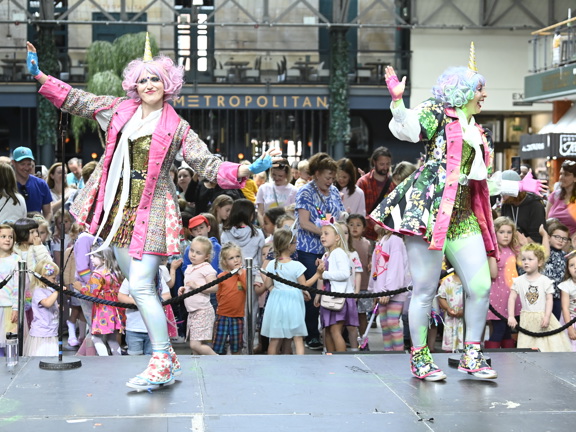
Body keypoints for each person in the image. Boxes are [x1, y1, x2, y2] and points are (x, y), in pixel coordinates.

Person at [27, 38, 278, 390]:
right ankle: (169, 360)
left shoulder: (177, 127)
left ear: (167, 85)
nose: (148, 86)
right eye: (143, 80)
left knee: (142, 286)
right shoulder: (117, 109)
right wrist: (41, 76)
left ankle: (160, 358)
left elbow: (207, 164)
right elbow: (78, 101)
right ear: (134, 85)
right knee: (136, 284)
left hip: (153, 211)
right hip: (117, 212)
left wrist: (246, 170)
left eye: (155, 79)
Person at [372, 45, 545, 381]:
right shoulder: (438, 112)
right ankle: (420, 358)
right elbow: (407, 129)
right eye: (480, 89)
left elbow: (479, 181)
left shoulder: (478, 132)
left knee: (479, 287)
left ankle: (472, 354)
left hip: (463, 215)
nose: (485, 95)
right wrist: (397, 101)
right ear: (463, 91)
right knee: (424, 289)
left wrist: (515, 187)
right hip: (429, 214)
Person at [261, 229, 320, 355]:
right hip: (293, 302)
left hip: (276, 301)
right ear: (289, 245)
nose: (296, 244)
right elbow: (304, 285)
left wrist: (277, 291)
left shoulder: (272, 264)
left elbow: (268, 284)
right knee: (297, 337)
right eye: (294, 242)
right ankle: (299, 364)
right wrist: (318, 274)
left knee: (275, 338)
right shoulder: (296, 265)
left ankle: (270, 364)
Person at [508, 243, 571, 352]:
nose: (526, 262)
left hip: (542, 317)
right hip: (527, 319)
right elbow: (512, 298)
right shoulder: (518, 280)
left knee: (546, 345)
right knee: (527, 345)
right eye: (524, 259)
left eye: (530, 259)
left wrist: (547, 316)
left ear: (540, 262)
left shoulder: (545, 281)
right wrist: (511, 316)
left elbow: (549, 299)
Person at [73, 247, 126, 356]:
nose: (91, 258)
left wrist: (80, 288)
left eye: (94, 256)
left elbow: (91, 293)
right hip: (115, 310)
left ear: (104, 259)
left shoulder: (98, 274)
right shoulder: (116, 273)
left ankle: (103, 359)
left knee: (95, 336)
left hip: (102, 311)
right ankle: (118, 359)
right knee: (111, 338)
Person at [313, 221, 355, 353]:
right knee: (328, 330)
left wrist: (324, 273)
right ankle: (330, 356)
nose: (322, 237)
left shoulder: (339, 253)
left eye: (326, 233)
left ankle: (340, 359)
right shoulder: (327, 255)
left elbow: (344, 274)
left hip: (338, 296)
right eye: (321, 234)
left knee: (335, 330)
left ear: (337, 237)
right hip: (329, 295)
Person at [368, 227, 410, 351]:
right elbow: (376, 268)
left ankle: (398, 353)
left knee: (392, 322)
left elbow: (395, 266)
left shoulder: (395, 240)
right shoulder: (382, 240)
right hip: (382, 290)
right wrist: (374, 290)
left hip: (393, 291)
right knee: (384, 324)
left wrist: (389, 291)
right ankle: (388, 352)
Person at [485, 216, 521, 349]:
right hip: (498, 295)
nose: (506, 236)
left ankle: (508, 359)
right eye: (501, 232)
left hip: (511, 294)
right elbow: (493, 274)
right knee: (499, 329)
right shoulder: (494, 251)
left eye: (509, 232)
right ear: (495, 234)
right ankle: (491, 356)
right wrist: (492, 253)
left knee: (507, 331)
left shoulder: (513, 249)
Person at [178, 236, 218, 355]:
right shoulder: (189, 268)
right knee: (195, 348)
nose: (193, 255)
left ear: (206, 256)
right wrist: (183, 290)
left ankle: (219, 360)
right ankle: (198, 370)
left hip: (202, 310)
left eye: (198, 253)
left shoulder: (206, 268)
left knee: (195, 344)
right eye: (192, 251)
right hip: (192, 311)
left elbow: (215, 287)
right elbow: (190, 286)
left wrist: (196, 287)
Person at [212, 243, 248, 355]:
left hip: (238, 316)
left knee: (237, 346)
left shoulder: (244, 273)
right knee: (219, 345)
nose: (236, 260)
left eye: (238, 256)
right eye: (231, 258)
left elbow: (247, 288)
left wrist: (241, 273)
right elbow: (218, 295)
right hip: (223, 315)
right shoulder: (222, 276)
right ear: (225, 262)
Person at [23, 260, 62, 356]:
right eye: (53, 278)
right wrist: (57, 291)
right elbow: (47, 303)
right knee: (41, 356)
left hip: (51, 331)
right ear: (44, 277)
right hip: (42, 333)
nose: (55, 280)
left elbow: (51, 304)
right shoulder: (38, 291)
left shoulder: (49, 290)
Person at [356, 146, 395, 241]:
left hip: (387, 236)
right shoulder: (363, 182)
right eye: (382, 164)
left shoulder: (393, 183)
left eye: (388, 164)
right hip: (366, 236)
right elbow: (358, 211)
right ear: (374, 162)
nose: (385, 167)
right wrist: (374, 225)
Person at [347, 214, 373, 347]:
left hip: (363, 284)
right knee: (348, 316)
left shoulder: (367, 243)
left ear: (364, 228)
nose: (354, 227)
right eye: (351, 224)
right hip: (349, 286)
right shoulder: (345, 242)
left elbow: (370, 259)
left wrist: (370, 264)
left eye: (358, 225)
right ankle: (350, 340)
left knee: (362, 315)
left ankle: (363, 341)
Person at [500, 170, 546, 244]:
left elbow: (537, 236)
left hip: (530, 249)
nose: (501, 192)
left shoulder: (535, 205)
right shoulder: (506, 204)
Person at [11, 146, 52, 220]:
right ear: (13, 163)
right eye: (22, 164)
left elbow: (48, 212)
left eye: (29, 164)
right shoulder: (7, 184)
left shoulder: (41, 184)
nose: (26, 168)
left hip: (35, 229)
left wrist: (43, 228)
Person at [541, 221, 571, 320]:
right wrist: (544, 235)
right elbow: (545, 255)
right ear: (549, 237)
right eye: (557, 237)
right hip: (543, 296)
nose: (561, 240)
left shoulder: (564, 255)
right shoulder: (546, 250)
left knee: (556, 323)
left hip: (557, 296)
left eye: (564, 238)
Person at [255, 159, 297, 227]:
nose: (276, 178)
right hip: (267, 227)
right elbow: (260, 212)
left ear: (287, 174)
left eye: (280, 176)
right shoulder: (263, 188)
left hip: (285, 229)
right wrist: (265, 228)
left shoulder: (294, 190)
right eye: (274, 174)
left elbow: (294, 214)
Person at [0, 224, 19, 357]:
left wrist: (16, 307)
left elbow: (17, 285)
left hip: (8, 308)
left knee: (9, 341)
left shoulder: (16, 259)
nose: (7, 239)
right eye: (3, 236)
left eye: (10, 237)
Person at [546, 160, 576, 237]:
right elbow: (544, 220)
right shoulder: (554, 195)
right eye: (561, 174)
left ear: (575, 178)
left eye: (566, 175)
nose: (561, 177)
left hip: (571, 244)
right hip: (551, 243)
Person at [437, 269, 464, 352]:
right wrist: (447, 308)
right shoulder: (447, 281)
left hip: (465, 320)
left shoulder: (469, 282)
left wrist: (464, 311)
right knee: (449, 343)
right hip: (450, 319)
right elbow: (441, 297)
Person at [559, 251, 576, 351]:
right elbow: (565, 308)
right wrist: (569, 328)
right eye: (572, 265)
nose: (575, 267)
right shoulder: (566, 285)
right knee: (571, 348)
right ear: (568, 269)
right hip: (570, 320)